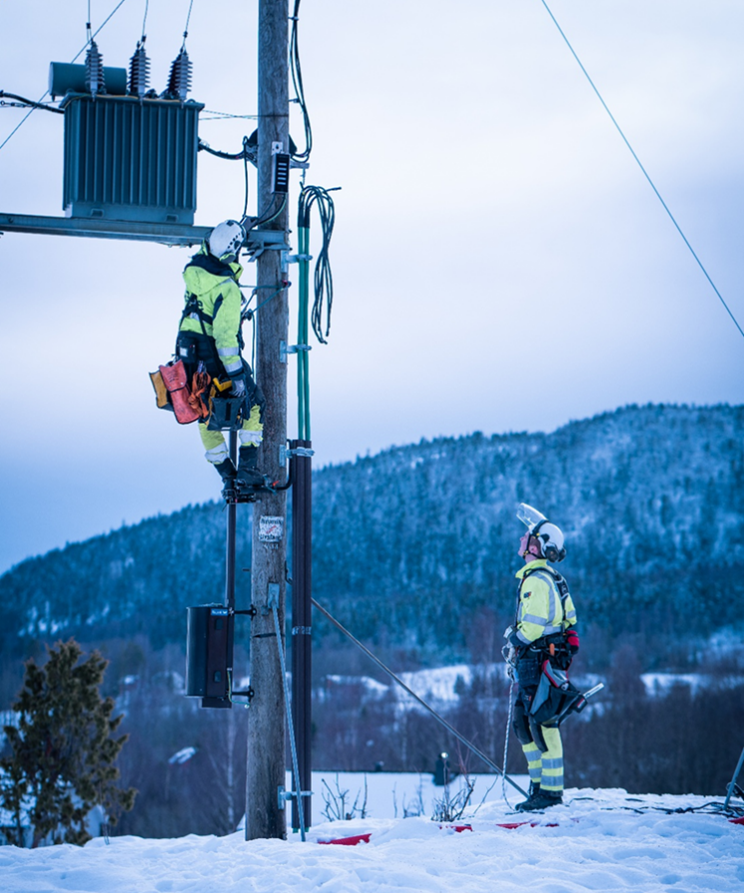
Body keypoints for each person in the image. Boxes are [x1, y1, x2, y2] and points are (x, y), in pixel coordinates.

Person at [175, 219, 266, 497]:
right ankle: (247, 470)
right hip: (213, 358)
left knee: (205, 412)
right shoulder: (227, 288)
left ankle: (227, 475)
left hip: (189, 360)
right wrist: (237, 377)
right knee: (254, 404)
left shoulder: (194, 274)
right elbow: (226, 340)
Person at [504, 503, 579, 812]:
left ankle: (550, 792)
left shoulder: (536, 580)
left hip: (537, 660)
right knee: (524, 723)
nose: (522, 538)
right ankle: (538, 787)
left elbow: (532, 629)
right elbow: (570, 620)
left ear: (536, 546)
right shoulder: (552, 578)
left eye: (527, 535)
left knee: (542, 722)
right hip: (540, 660)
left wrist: (512, 638)